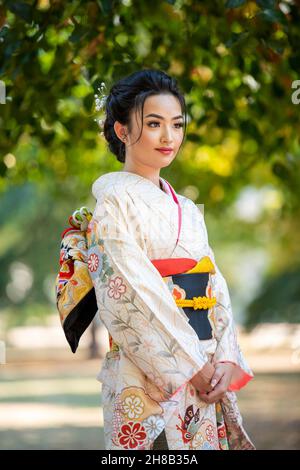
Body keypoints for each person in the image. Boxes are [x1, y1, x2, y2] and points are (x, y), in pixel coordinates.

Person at [86, 69, 255, 450]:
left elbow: (215, 285)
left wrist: (224, 359)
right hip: (147, 375)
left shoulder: (189, 210)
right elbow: (129, 293)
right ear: (122, 131)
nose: (169, 137)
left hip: (206, 368)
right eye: (154, 124)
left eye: (177, 125)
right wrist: (192, 366)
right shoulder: (113, 205)